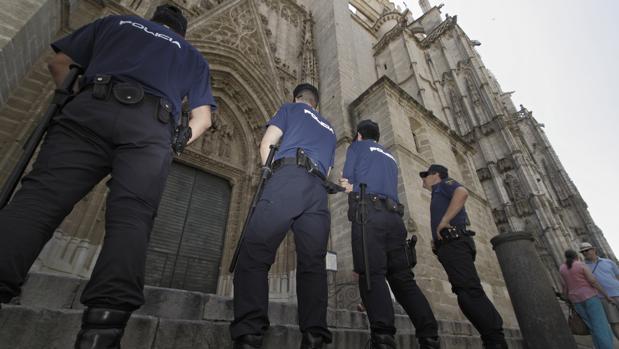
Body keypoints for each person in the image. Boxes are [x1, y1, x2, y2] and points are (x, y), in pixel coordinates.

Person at [0, 4, 216, 348]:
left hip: (91, 107)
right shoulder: (193, 57)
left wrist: (79, 103)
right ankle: (102, 332)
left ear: (152, 19)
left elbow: (59, 63)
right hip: (151, 127)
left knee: (38, 200)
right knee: (132, 220)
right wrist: (173, 142)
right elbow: (203, 118)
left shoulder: (115, 23)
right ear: (182, 33)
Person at [229, 83, 336, 349]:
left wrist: (270, 177)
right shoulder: (330, 129)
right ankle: (313, 337)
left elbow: (268, 142)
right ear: (316, 104)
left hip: (289, 177)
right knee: (313, 266)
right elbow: (330, 169)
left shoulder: (289, 109)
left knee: (254, 252)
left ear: (297, 98)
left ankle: (250, 334)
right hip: (318, 190)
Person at [339, 120, 440, 349]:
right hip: (394, 219)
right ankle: (430, 337)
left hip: (369, 216)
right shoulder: (389, 156)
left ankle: (383, 339)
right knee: (403, 280)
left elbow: (347, 182)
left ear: (358, 136)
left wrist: (342, 187)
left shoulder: (357, 148)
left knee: (372, 275)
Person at [419, 164, 507, 348]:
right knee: (465, 293)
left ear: (436, 174)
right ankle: (491, 337)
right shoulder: (437, 193)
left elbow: (462, 192)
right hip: (449, 246)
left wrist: (445, 221)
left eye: (425, 175)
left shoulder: (445, 183)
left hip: (456, 243)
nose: (423, 180)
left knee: (469, 293)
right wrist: (437, 239)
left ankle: (495, 339)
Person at [560, 249, 615, 349]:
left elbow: (564, 286)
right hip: (590, 297)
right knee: (600, 325)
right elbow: (593, 281)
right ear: (576, 256)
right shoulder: (581, 265)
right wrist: (606, 295)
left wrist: (567, 298)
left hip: (576, 300)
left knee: (591, 326)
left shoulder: (562, 268)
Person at [580, 242, 619, 340]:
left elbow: (618, 276)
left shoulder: (608, 262)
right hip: (603, 298)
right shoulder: (583, 267)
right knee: (614, 322)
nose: (585, 253)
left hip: (618, 292)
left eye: (587, 250)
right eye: (583, 252)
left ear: (593, 249)